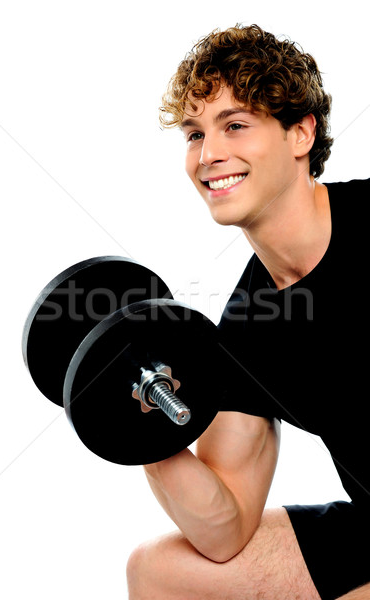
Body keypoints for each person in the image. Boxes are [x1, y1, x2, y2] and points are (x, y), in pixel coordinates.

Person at [126, 24, 370, 600]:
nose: (209, 156)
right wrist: (136, 422)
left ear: (299, 134)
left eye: (235, 125)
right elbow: (225, 527)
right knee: (158, 572)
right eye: (194, 134)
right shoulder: (246, 329)